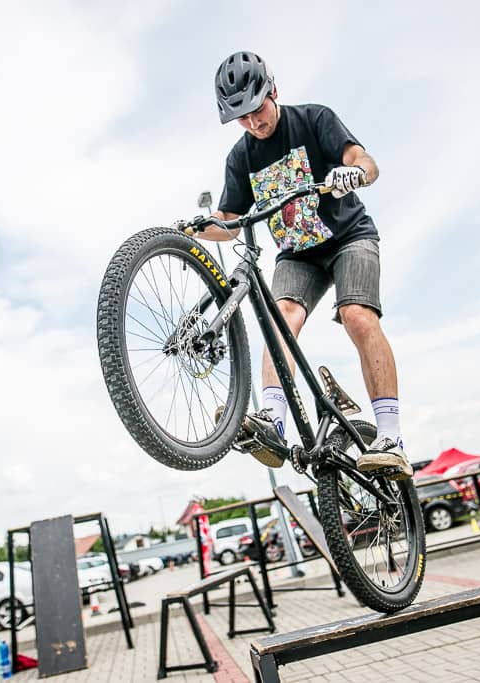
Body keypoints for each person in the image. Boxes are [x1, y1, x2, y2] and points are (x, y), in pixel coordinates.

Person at [195, 51, 412, 478]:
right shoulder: (241, 157)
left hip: (350, 237)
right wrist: (195, 230)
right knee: (281, 320)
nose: (253, 123)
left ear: (273, 91)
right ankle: (273, 423)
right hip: (297, 254)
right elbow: (229, 222)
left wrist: (354, 173)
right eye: (241, 118)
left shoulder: (314, 119)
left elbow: (365, 161)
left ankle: (391, 436)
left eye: (257, 109)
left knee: (357, 315)